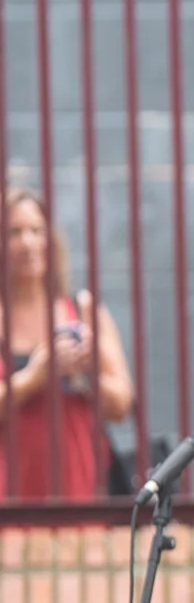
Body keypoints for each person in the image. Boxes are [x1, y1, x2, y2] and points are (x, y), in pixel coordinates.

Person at [0, 188, 134, 499]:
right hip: (11, 492)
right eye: (15, 232)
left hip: (83, 484)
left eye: (37, 230)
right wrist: (34, 377)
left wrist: (86, 374)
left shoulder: (84, 309)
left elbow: (121, 404)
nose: (28, 242)